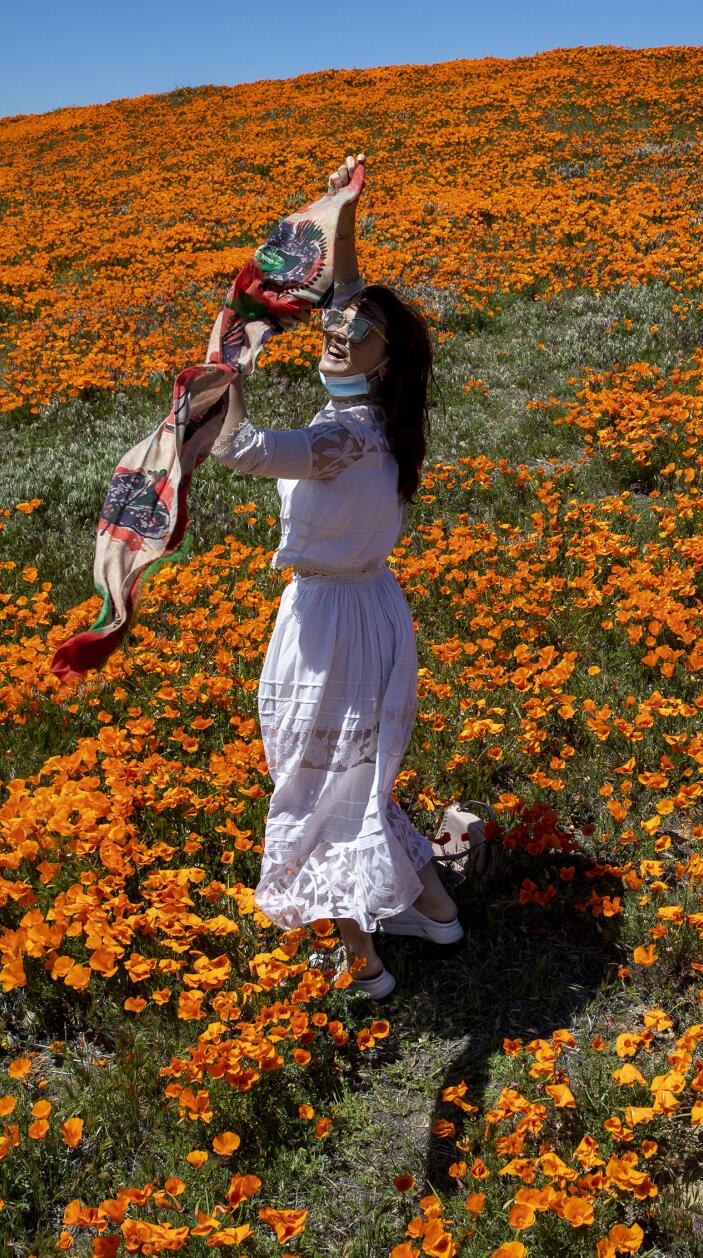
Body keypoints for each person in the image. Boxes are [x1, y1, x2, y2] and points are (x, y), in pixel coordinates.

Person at [208, 152, 462, 1001]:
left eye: (358, 333)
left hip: (325, 626)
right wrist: (343, 211)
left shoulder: (341, 439)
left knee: (315, 780)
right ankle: (433, 908)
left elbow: (237, 448)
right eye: (338, 325)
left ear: (384, 358)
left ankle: (363, 962)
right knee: (356, 773)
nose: (338, 330)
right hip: (372, 611)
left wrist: (225, 368)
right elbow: (347, 297)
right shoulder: (379, 421)